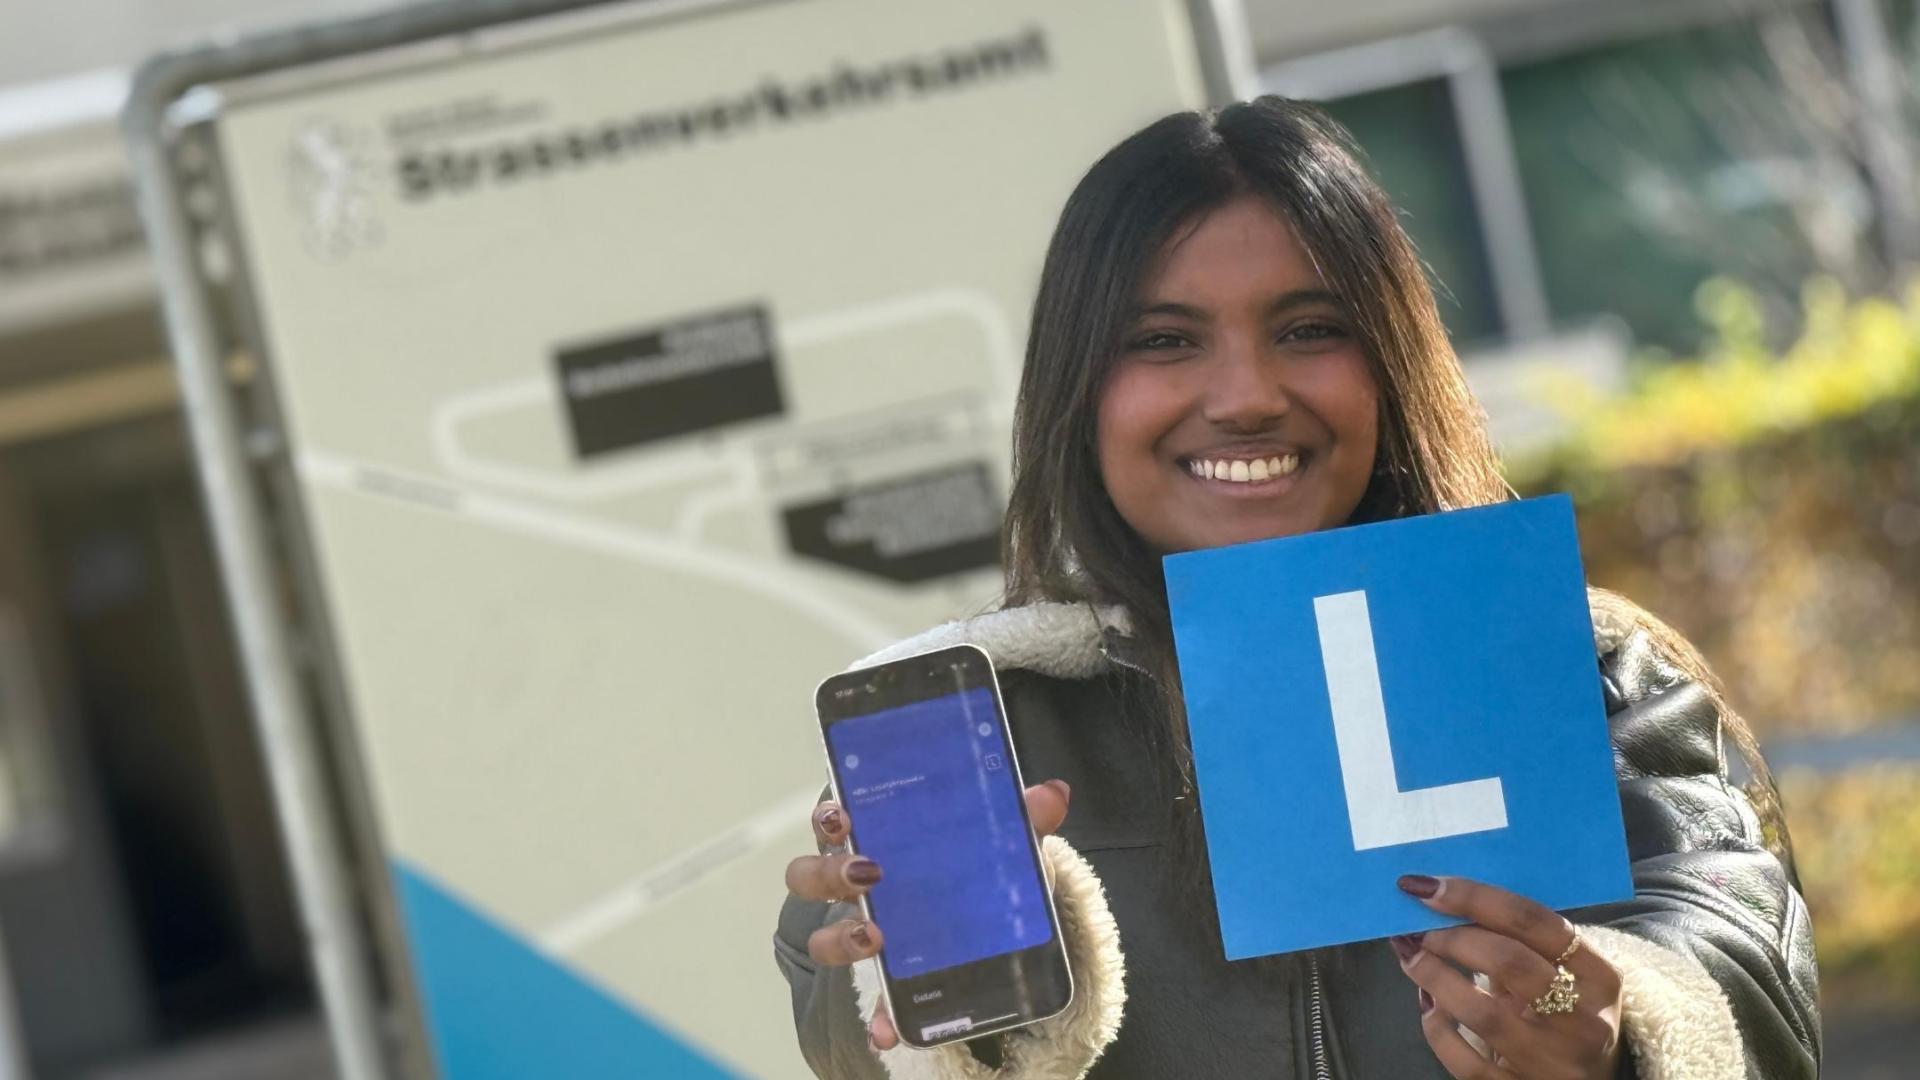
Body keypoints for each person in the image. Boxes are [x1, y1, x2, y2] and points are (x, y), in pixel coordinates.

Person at [773, 96, 1820, 1079]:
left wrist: (1616, 1028)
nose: (1246, 397)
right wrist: (915, 980)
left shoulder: (1587, 665)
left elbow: (1741, 946)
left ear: (1392, 360)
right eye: (1165, 341)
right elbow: (848, 1027)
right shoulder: (973, 731)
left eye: (1311, 330)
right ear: (1078, 389)